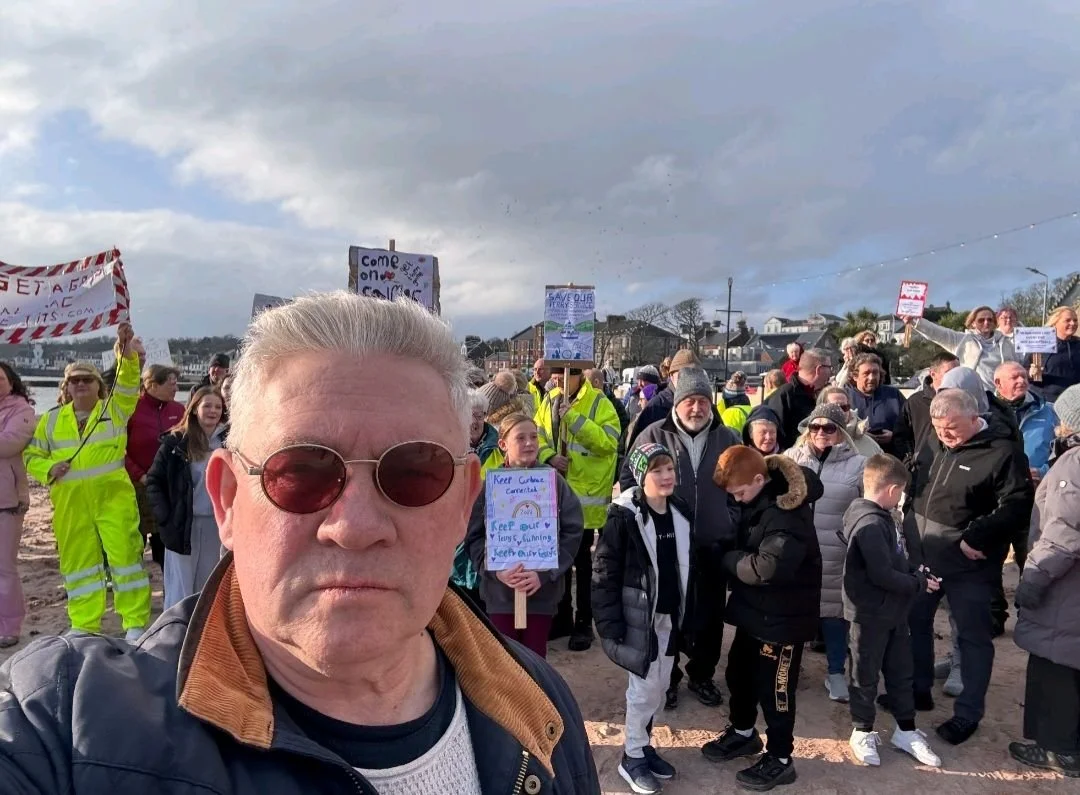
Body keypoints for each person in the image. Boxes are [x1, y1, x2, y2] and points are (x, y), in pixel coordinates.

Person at [0, 292, 599, 792]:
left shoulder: (538, 704)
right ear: (229, 499)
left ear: (465, 499)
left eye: (415, 472)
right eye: (302, 473)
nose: (356, 525)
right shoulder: (76, 727)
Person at [909, 389, 1034, 746]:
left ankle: (967, 714)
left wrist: (977, 537)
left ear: (973, 416)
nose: (943, 434)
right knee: (915, 623)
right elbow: (918, 483)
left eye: (951, 428)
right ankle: (918, 691)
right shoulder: (933, 439)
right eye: (937, 427)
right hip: (925, 556)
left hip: (970, 563)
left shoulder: (1003, 452)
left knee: (972, 637)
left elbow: (1016, 505)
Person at [702, 446, 823, 792]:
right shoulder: (756, 501)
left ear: (759, 479)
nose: (738, 501)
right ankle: (743, 733)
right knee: (739, 674)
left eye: (740, 493)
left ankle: (781, 757)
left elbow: (766, 567)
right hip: (755, 613)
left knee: (776, 691)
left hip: (783, 620)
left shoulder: (788, 513)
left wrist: (728, 559)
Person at [621, 367, 740, 710]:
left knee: (710, 615)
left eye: (703, 401)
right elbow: (630, 480)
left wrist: (728, 521)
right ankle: (669, 678)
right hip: (668, 543)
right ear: (678, 401)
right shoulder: (653, 435)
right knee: (669, 614)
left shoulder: (727, 438)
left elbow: (741, 487)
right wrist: (646, 520)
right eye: (690, 400)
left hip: (712, 543)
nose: (697, 408)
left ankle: (701, 674)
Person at [23, 323, 151, 641]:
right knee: (79, 565)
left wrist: (124, 352)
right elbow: (30, 456)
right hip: (71, 504)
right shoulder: (51, 420)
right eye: (74, 381)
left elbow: (127, 381)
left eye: (86, 380)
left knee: (125, 560)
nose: (80, 385)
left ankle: (134, 624)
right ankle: (85, 624)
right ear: (66, 387)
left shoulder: (115, 410)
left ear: (98, 386)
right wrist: (49, 468)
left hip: (113, 500)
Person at [595, 442, 691, 795]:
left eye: (670, 469)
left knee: (661, 685)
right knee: (643, 689)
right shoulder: (623, 518)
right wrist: (609, 624)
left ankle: (644, 745)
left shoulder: (679, 510)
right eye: (657, 470)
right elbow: (604, 572)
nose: (666, 477)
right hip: (639, 621)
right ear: (641, 475)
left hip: (669, 616)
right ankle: (631, 756)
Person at [841, 455, 942, 768]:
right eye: (902, 493)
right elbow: (881, 574)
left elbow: (895, 559)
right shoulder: (870, 523)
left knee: (901, 671)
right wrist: (917, 583)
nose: (902, 499)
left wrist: (916, 570)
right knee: (864, 674)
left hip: (894, 613)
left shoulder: (882, 516)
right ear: (892, 489)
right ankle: (862, 730)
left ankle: (906, 729)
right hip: (870, 615)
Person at [465, 413, 584, 658]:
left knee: (535, 660)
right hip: (500, 595)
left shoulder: (554, 482)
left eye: (534, 437)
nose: (530, 443)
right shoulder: (490, 486)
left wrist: (545, 574)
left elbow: (573, 531)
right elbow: (473, 536)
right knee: (505, 661)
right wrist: (494, 569)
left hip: (542, 594)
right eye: (521, 438)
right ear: (503, 444)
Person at [1009, 385, 1080, 778]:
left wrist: (1033, 578)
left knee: (1056, 666)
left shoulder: (1073, 464)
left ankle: (1060, 751)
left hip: (1065, 589)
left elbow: (1064, 533)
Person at [784, 404, 867, 703]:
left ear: (841, 432)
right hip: (797, 552)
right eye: (815, 427)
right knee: (794, 613)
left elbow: (868, 506)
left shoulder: (860, 465)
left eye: (828, 428)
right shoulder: (791, 459)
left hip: (836, 553)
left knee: (834, 616)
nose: (821, 433)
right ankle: (789, 671)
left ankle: (835, 672)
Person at [535, 364, 621, 651]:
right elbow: (538, 435)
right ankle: (562, 618)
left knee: (583, 564)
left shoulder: (598, 401)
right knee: (559, 561)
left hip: (585, 498)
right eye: (556, 372)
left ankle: (585, 623)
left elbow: (608, 443)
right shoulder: (548, 400)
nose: (558, 377)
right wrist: (548, 457)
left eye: (564, 372)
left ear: (578, 374)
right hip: (555, 495)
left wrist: (574, 419)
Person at [146, 387, 227, 610]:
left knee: (209, 587)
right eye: (207, 405)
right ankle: (175, 636)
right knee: (180, 589)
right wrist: (166, 519)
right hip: (183, 526)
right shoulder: (176, 443)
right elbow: (154, 482)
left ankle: (202, 637)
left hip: (216, 527)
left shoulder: (229, 443)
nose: (213, 411)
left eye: (218, 407)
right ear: (194, 409)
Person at [125, 364, 185, 572]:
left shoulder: (179, 410)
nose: (176, 388)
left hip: (168, 489)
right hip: (136, 488)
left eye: (176, 383)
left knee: (166, 548)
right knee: (133, 546)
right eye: (171, 383)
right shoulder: (131, 410)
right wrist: (139, 475)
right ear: (151, 384)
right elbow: (118, 450)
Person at [0, 362, 36, 648]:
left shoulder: (22, 410)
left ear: (11, 382)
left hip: (7, 500)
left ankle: (9, 626)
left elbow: (9, 444)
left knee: (4, 567)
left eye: (0, 378)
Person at [904, 305, 1018, 390]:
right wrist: (915, 321)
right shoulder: (963, 340)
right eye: (981, 320)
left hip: (1000, 397)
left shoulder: (1006, 343)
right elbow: (937, 333)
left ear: (994, 322)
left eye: (990, 319)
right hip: (971, 396)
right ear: (973, 323)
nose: (986, 322)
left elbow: (1017, 367)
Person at [627, 350, 700, 448]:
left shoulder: (707, 407)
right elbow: (636, 453)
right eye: (683, 375)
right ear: (671, 376)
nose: (689, 380)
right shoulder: (655, 407)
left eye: (695, 374)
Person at [766, 347, 833, 449]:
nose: (831, 372)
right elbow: (774, 438)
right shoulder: (784, 397)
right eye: (829, 367)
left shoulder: (823, 395)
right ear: (818, 369)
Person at [844, 353, 905, 456]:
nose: (871, 377)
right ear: (855, 376)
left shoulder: (894, 395)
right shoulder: (845, 397)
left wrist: (895, 435)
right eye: (866, 373)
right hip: (856, 458)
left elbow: (908, 426)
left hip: (891, 456)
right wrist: (862, 436)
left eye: (875, 372)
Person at [1026, 306, 1080, 402]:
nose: (1073, 323)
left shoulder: (1078, 344)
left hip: (1073, 402)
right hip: (1046, 401)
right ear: (1055, 323)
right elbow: (1023, 371)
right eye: (1067, 320)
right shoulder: (1040, 343)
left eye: (1075, 320)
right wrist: (1030, 373)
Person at [817, 386, 882, 458]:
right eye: (834, 407)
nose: (840, 411)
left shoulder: (870, 446)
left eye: (844, 407)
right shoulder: (811, 444)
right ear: (821, 410)